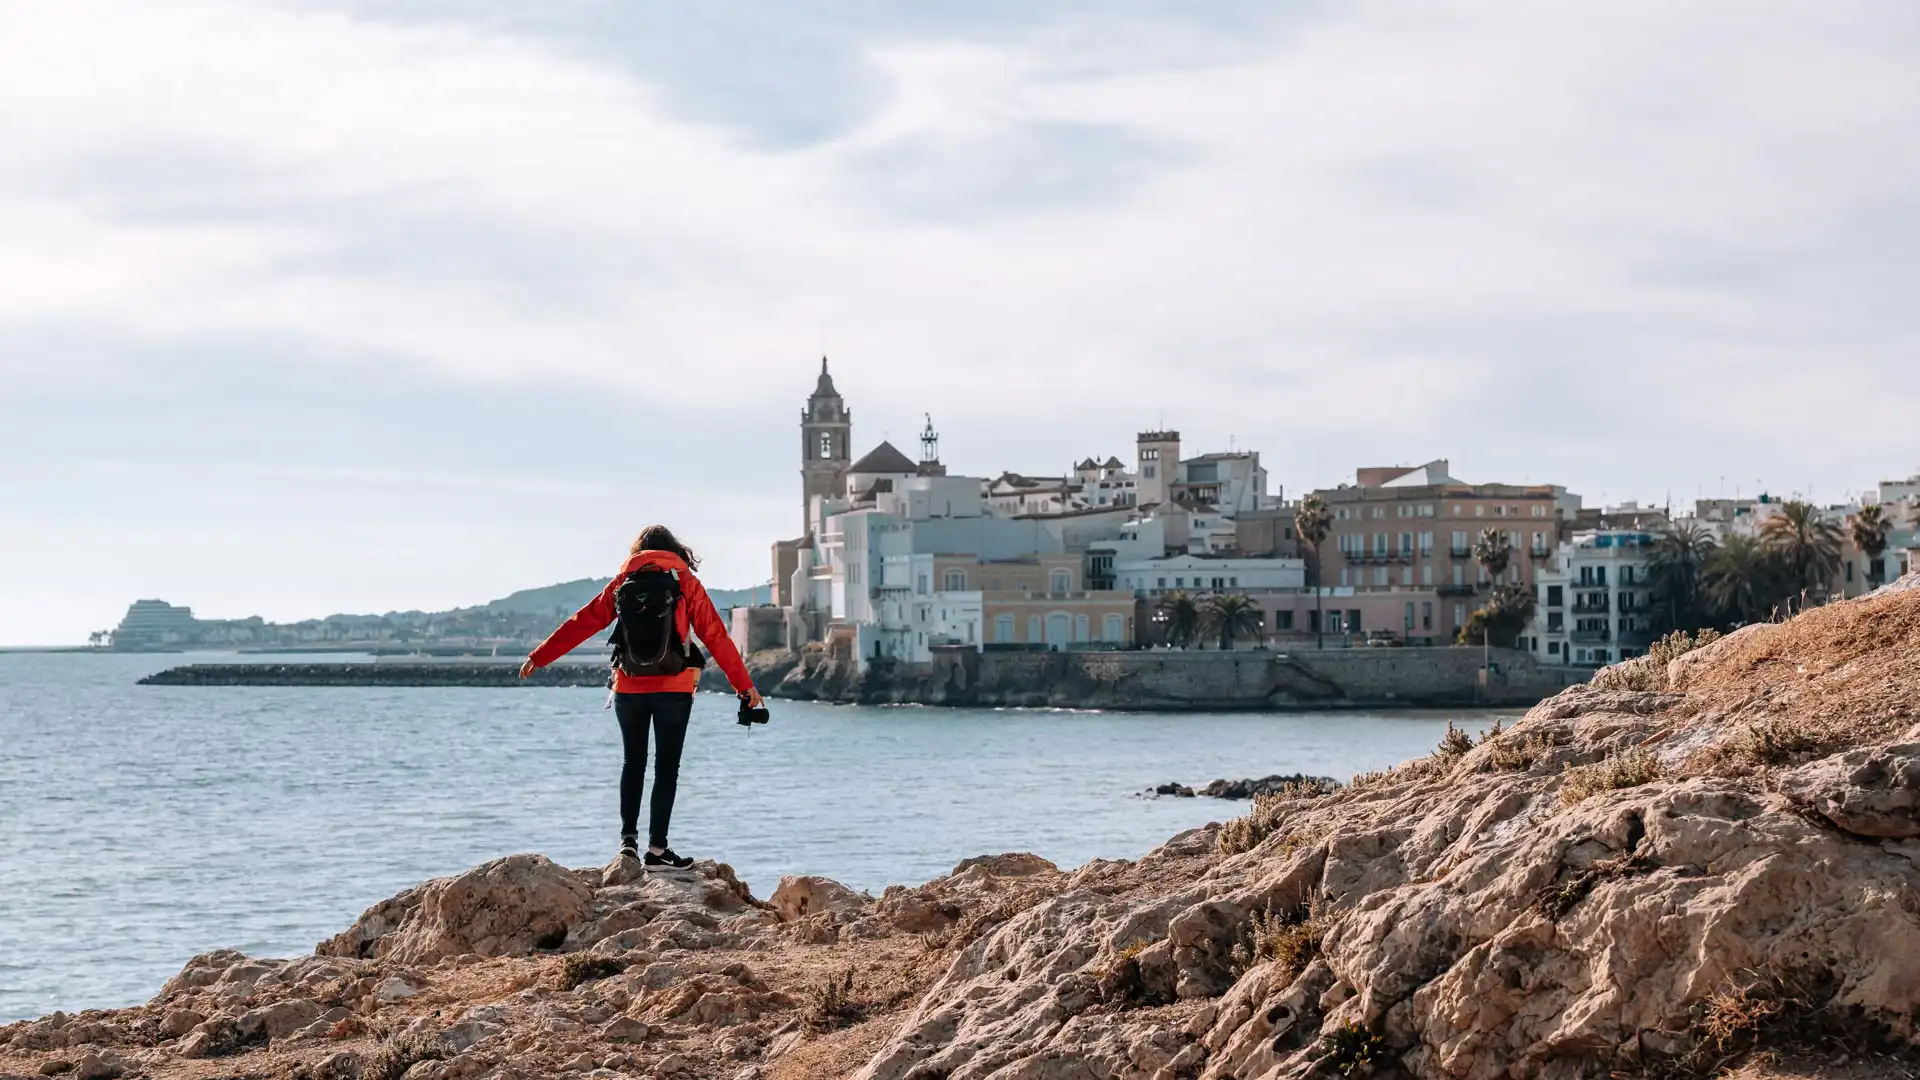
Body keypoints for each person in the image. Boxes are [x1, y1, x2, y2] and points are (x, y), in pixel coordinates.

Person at [520, 525, 764, 870]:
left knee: (632, 763)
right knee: (666, 769)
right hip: (675, 689)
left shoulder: (623, 582)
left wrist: (539, 656)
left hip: (628, 687)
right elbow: (716, 637)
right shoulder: (685, 582)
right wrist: (744, 686)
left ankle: (628, 845)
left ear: (639, 551)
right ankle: (658, 850)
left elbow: (583, 621)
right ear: (675, 549)